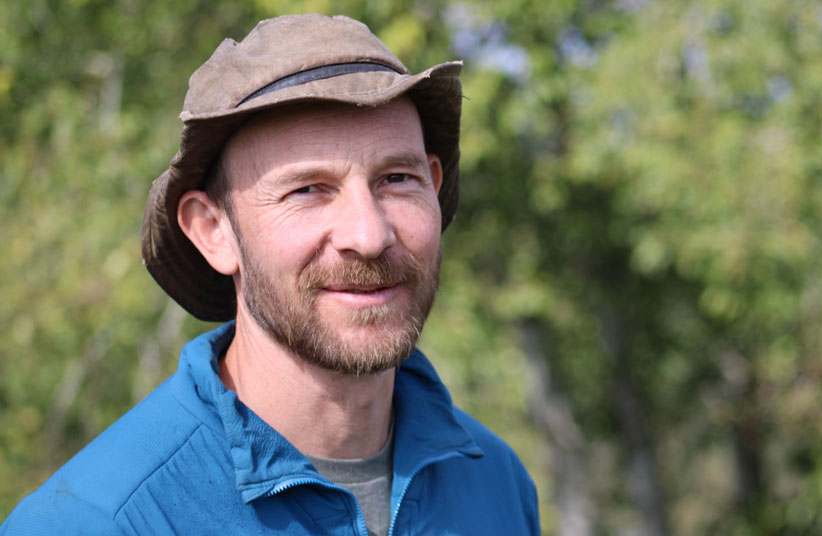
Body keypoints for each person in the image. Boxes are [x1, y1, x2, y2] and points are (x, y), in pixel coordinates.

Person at [1, 14, 539, 535]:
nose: (369, 235)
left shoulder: (495, 482)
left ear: (435, 184)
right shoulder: (99, 521)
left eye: (398, 179)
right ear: (214, 231)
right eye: (308, 189)